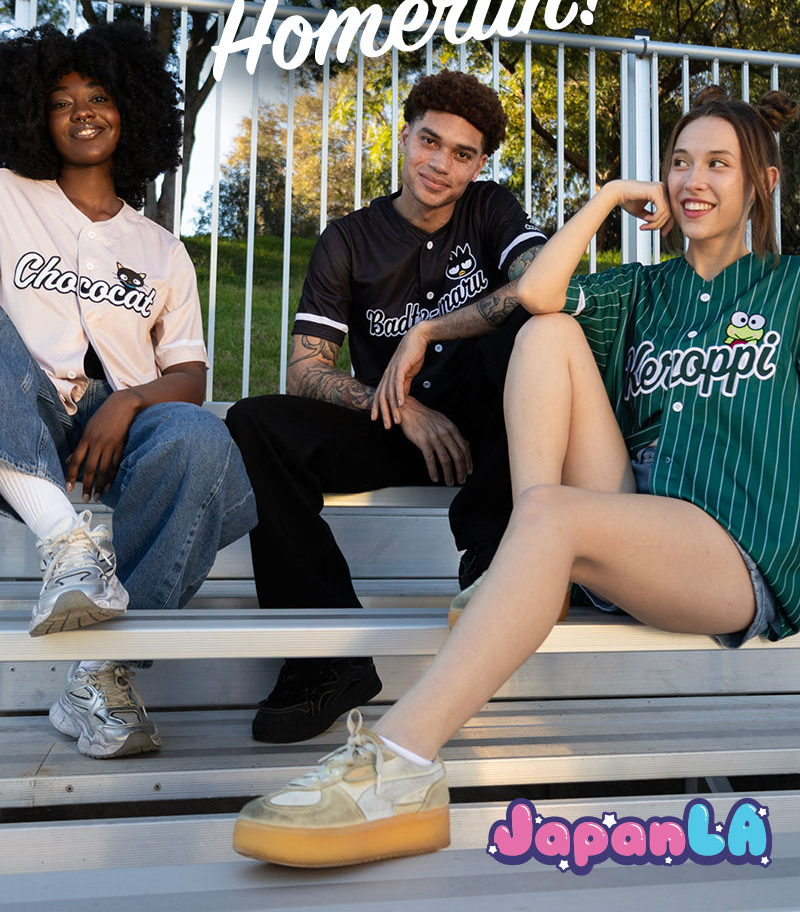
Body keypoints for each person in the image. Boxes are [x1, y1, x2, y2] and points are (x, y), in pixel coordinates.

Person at [231, 86, 800, 869]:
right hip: (633, 521)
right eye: (678, 163)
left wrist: (428, 329)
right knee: (549, 333)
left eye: (717, 164)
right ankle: (519, 572)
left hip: (733, 551)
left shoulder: (793, 289)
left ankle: (401, 763)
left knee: (553, 514)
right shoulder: (646, 289)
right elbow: (537, 293)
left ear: (763, 182)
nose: (690, 180)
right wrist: (605, 198)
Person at [226, 70, 547, 744]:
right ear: (406, 137)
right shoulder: (349, 239)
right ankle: (325, 661)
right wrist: (394, 404)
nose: (440, 164)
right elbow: (305, 369)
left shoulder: (490, 210)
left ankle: (490, 560)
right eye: (430, 142)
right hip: (397, 427)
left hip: (491, 427)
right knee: (256, 422)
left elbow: (538, 283)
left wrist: (426, 331)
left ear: (480, 163)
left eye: (463, 154)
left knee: (532, 327)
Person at [0, 21, 256, 759]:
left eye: (100, 95)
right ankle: (65, 545)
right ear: (35, 117)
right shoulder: (10, 196)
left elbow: (191, 375)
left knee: (202, 436)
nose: (83, 111)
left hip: (117, 427)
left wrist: (127, 401)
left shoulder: (161, 248)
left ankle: (95, 674)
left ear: (130, 109)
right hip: (18, 415)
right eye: (61, 100)